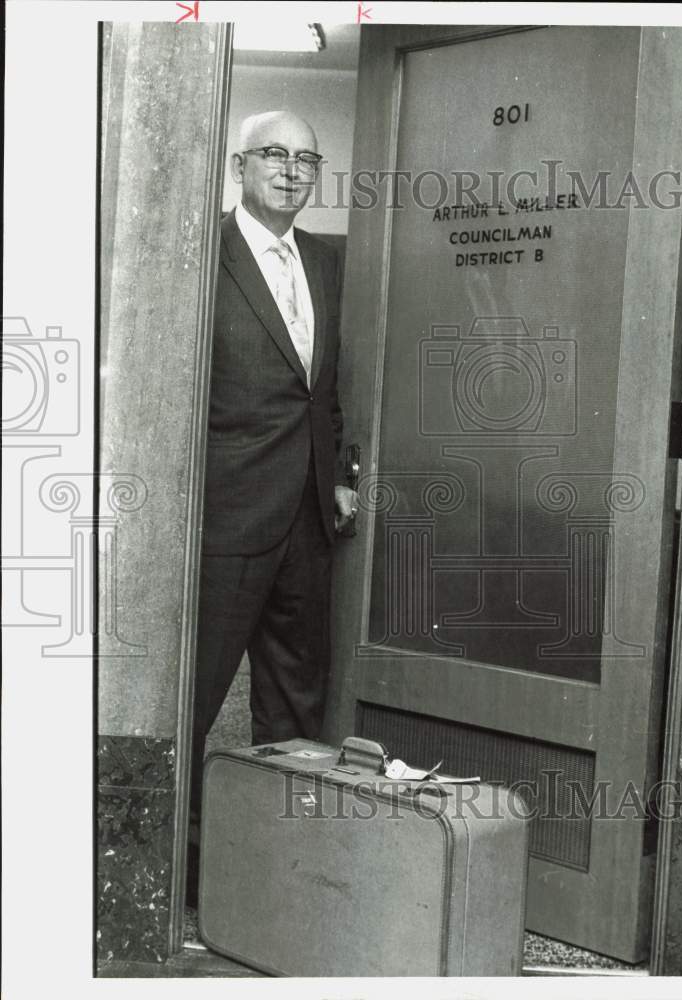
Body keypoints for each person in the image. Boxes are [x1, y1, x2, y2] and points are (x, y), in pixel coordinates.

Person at [186, 111, 358, 906]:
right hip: (222, 515)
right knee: (191, 694)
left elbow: (325, 386)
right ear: (239, 166)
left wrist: (341, 470)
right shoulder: (198, 253)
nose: (290, 171)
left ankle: (276, 870)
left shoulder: (327, 261)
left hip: (307, 518)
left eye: (305, 160)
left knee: (295, 699)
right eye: (273, 156)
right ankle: (179, 864)